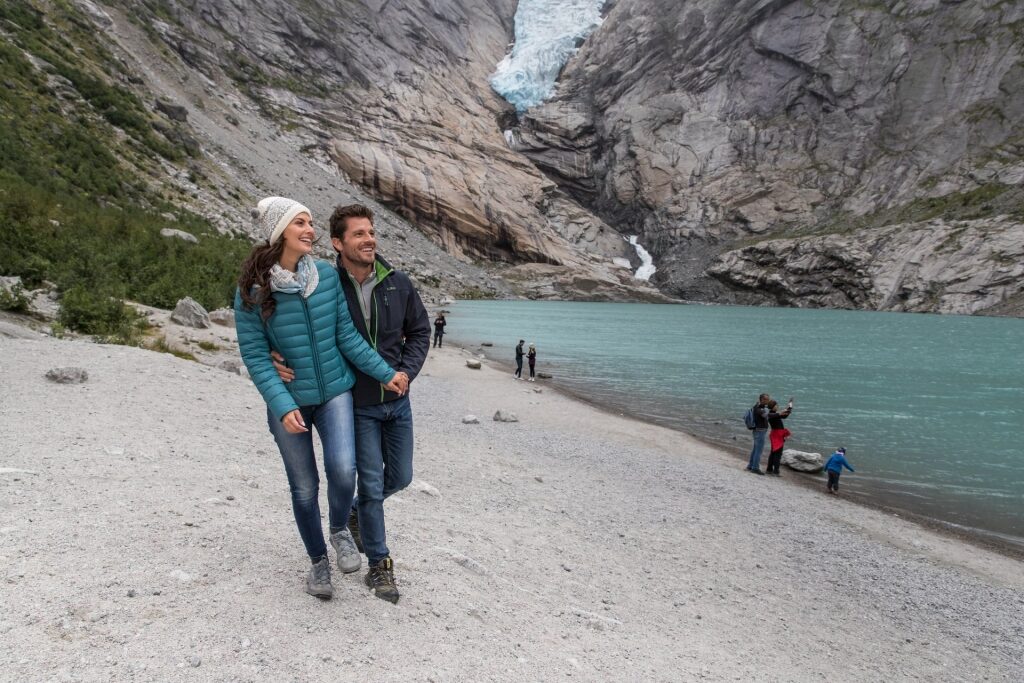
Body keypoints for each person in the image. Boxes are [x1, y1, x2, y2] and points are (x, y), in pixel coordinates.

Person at [235, 196, 407, 601]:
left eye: (311, 222)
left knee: (344, 470)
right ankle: (317, 562)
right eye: (300, 223)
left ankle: (338, 530)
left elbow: (346, 337)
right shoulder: (253, 290)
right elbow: (256, 355)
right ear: (280, 232)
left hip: (334, 391)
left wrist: (387, 373)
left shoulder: (327, 278)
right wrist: (282, 404)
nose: (310, 230)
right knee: (303, 487)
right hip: (290, 400)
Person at [272, 203, 430, 604]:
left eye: (372, 232)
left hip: (397, 397)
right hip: (355, 401)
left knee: (401, 477)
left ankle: (354, 514)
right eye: (359, 234)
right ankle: (379, 564)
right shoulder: (325, 282)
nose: (369, 239)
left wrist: (405, 374)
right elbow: (286, 317)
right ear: (338, 243)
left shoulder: (398, 282)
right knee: (370, 482)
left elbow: (420, 333)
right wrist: (276, 355)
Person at [765, 398, 793, 476]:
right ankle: (776, 471)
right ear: (773, 406)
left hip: (776, 434)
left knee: (773, 452)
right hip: (777, 435)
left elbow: (785, 415)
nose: (777, 406)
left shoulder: (773, 414)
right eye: (776, 405)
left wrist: (790, 406)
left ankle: (769, 469)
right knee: (778, 453)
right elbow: (781, 414)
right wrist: (787, 409)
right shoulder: (771, 414)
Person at [745, 393, 771, 474]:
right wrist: (772, 411)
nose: (768, 401)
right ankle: (755, 468)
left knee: (755, 449)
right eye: (767, 399)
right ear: (762, 399)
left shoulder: (757, 406)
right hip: (760, 431)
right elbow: (765, 415)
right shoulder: (759, 408)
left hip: (757, 430)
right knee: (758, 450)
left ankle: (750, 465)